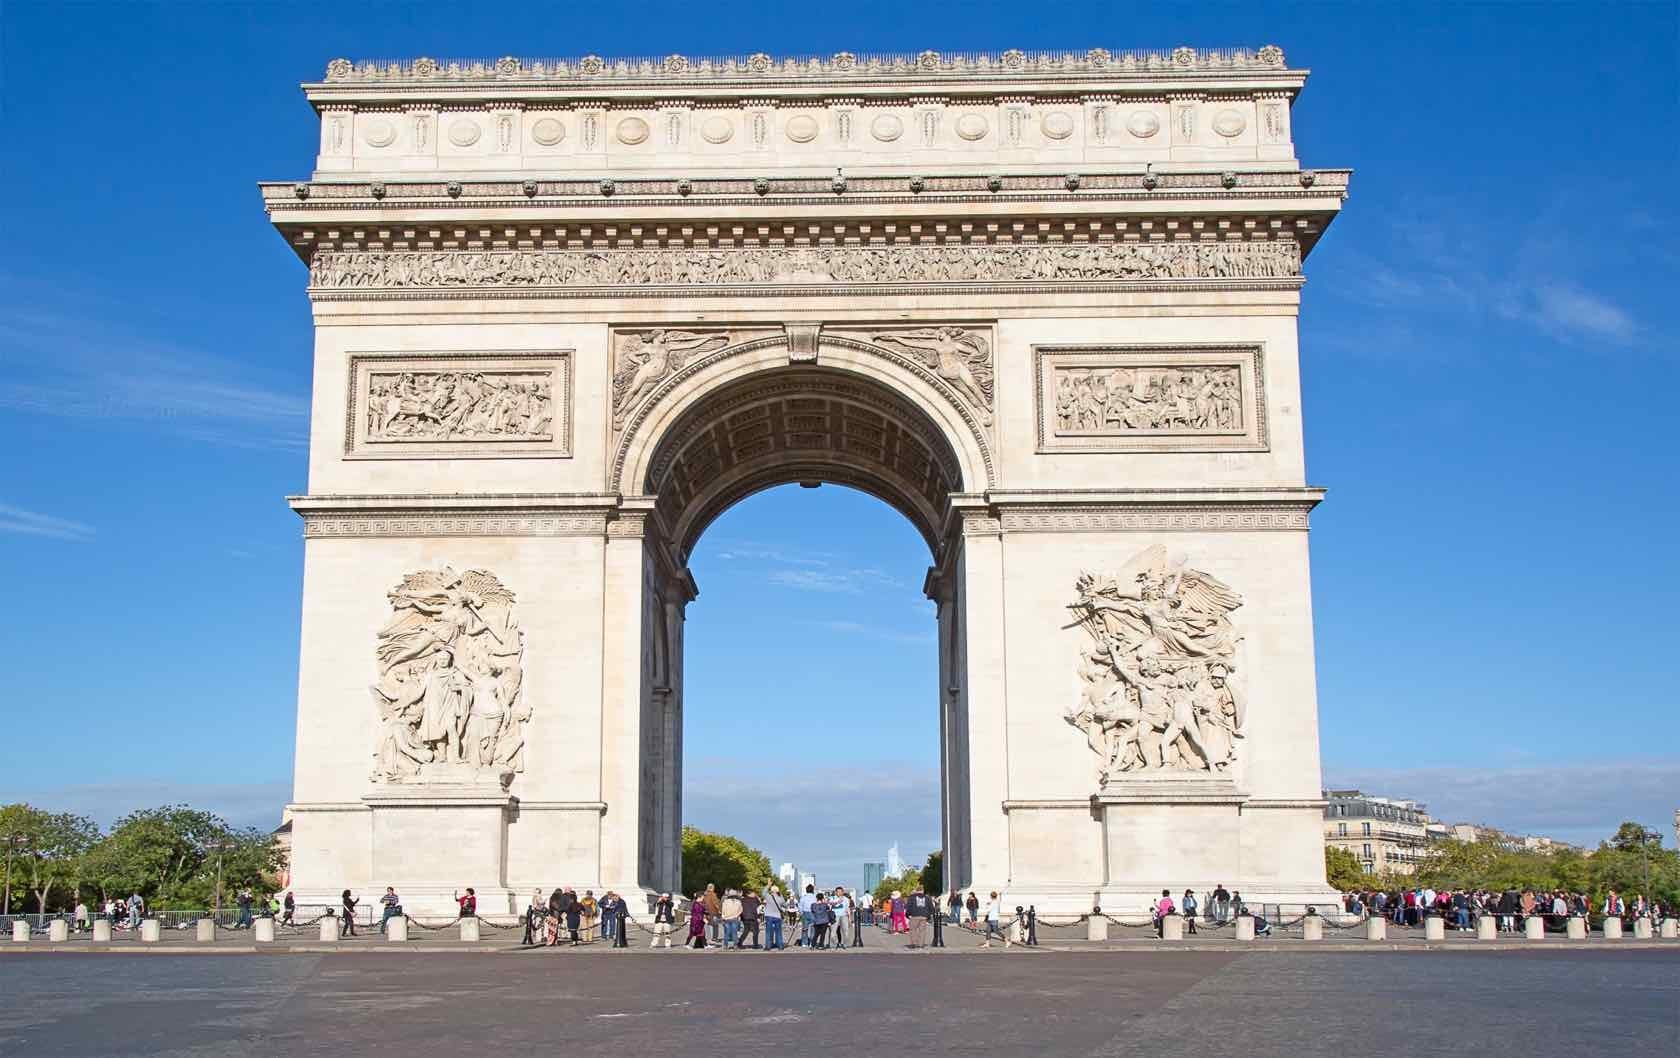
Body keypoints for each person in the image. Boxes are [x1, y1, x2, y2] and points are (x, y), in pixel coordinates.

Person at [762, 884, 786, 950]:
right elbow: (785, 904)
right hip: (778, 916)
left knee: (768, 932)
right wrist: (780, 894)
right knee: (778, 932)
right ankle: (780, 946)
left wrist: (768, 885)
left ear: (771, 891)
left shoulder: (768, 896)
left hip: (769, 916)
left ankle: (768, 946)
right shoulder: (780, 898)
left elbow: (763, 892)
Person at [829, 887, 850, 952]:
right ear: (835, 892)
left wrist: (850, 918)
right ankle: (833, 945)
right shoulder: (832, 898)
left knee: (846, 932)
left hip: (844, 916)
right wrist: (838, 901)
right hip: (835, 916)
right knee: (833, 932)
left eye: (840, 891)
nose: (839, 893)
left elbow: (847, 908)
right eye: (838, 892)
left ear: (843, 892)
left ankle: (845, 945)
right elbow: (830, 903)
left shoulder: (846, 899)